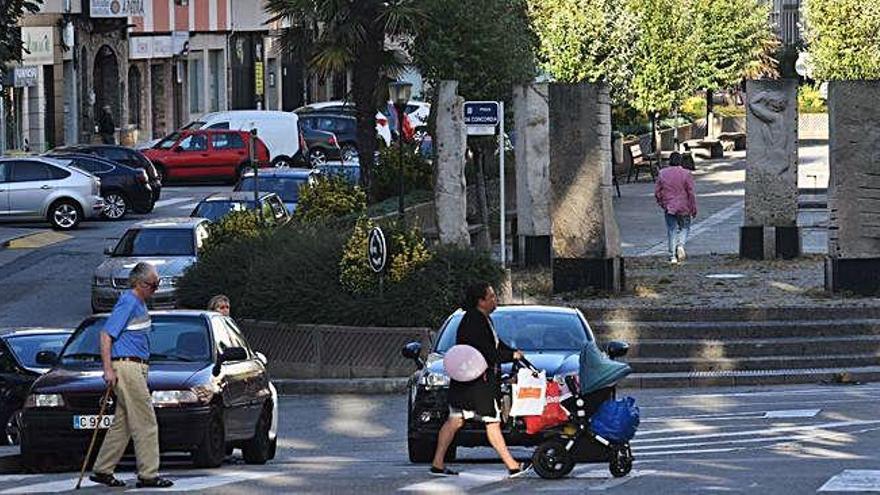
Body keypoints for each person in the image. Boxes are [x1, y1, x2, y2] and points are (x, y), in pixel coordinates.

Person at [430, 282, 532, 478]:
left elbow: (496, 344)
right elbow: (487, 352)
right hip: (477, 383)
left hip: (467, 382)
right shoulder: (474, 321)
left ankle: (437, 463)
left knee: (455, 420)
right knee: (491, 422)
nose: (495, 300)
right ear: (481, 301)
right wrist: (512, 357)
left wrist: (512, 352)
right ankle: (512, 465)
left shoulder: (483, 319)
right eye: (492, 296)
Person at [90, 262, 173, 489]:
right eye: (152, 285)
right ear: (137, 282)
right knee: (146, 421)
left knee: (123, 423)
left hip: (133, 366)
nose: (154, 289)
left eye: (157, 285)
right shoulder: (128, 302)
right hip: (127, 366)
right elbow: (106, 335)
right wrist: (107, 370)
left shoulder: (138, 303)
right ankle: (148, 474)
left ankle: (102, 469)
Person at [655, 152, 697, 264]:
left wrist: (661, 203)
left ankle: (672, 256)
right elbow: (691, 192)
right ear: (680, 161)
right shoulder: (686, 174)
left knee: (671, 230)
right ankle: (680, 245)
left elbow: (657, 191)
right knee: (685, 227)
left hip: (669, 206)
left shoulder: (662, 173)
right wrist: (693, 207)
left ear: (669, 161)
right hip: (684, 206)